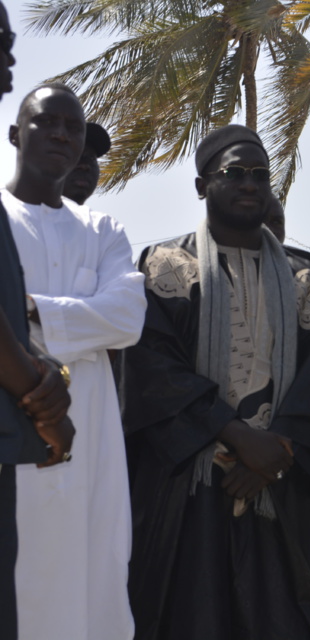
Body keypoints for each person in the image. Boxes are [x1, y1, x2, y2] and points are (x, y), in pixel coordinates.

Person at [115, 124, 310, 640]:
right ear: (201, 186)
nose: (249, 184)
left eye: (260, 175)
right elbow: (152, 373)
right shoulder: (164, 268)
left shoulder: (308, 280)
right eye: (234, 173)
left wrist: (275, 454)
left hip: (284, 499)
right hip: (187, 500)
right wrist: (240, 439)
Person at [2, 83, 146, 639]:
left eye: (74, 127)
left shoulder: (103, 230)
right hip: (15, 423)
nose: (62, 134)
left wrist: (29, 307)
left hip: (93, 441)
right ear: (16, 134)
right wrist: (82, 319)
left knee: (95, 573)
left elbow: (128, 320)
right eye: (48, 122)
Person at [0, 8, 75, 638]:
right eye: (1, 45)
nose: (9, 62)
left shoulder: (100, 230)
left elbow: (124, 317)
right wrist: (44, 394)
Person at [62, 121, 110, 206]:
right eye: (75, 156)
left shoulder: (101, 219)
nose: (85, 166)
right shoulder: (31, 216)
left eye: (91, 158)